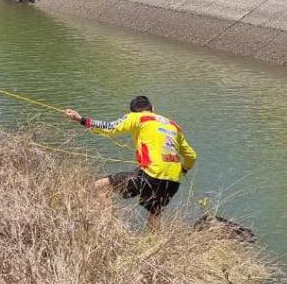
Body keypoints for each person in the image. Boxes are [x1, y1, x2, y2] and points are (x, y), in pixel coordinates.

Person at [64, 96, 197, 228]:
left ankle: (112, 229)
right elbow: (191, 156)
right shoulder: (173, 125)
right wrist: (184, 169)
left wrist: (80, 119)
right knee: (154, 214)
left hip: (151, 175)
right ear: (153, 108)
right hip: (173, 180)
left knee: (100, 187)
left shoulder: (136, 117)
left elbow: (110, 127)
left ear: (132, 111)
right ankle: (154, 243)